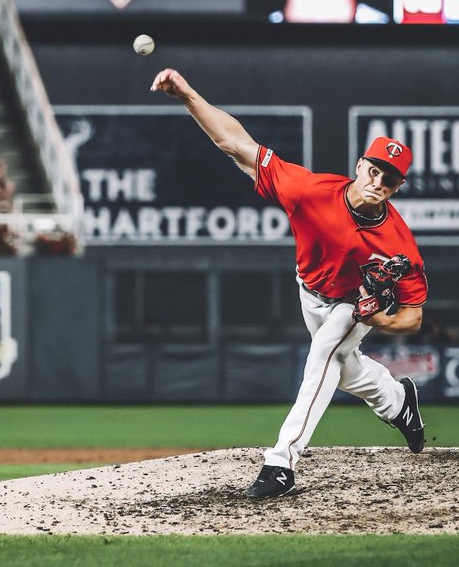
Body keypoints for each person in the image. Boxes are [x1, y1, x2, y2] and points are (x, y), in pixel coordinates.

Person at [149, 67, 426, 500]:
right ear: (360, 165)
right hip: (309, 291)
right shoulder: (309, 190)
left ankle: (281, 463)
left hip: (354, 304)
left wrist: (382, 320)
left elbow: (413, 315)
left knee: (324, 352)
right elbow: (235, 144)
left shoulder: (399, 243)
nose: (378, 182)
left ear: (397, 187)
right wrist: (186, 94)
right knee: (342, 368)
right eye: (374, 170)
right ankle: (397, 401)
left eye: (390, 178)